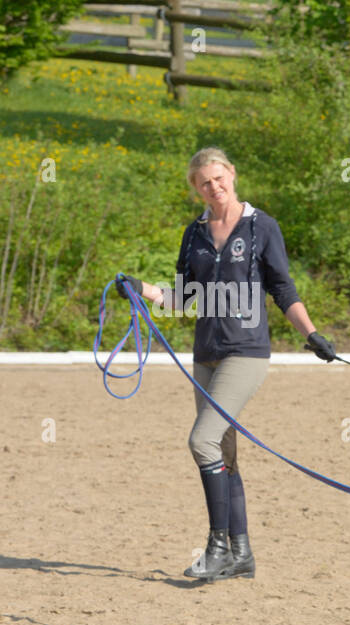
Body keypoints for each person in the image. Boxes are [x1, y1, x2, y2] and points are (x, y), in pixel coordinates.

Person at [114, 147, 337, 580]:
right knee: (223, 455)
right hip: (206, 356)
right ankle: (241, 555)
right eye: (204, 182)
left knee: (202, 442)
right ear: (195, 188)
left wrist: (310, 334)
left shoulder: (261, 227)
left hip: (245, 353)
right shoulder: (193, 234)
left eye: (219, 178)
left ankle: (217, 547)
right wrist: (141, 288)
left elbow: (283, 290)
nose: (213, 187)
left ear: (232, 175)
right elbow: (184, 298)